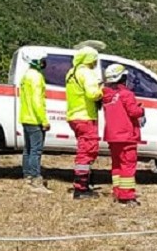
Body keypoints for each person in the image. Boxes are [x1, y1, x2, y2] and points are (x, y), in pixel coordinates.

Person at [102, 64, 145, 207]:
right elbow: (133, 112)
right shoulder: (126, 94)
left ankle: (117, 191)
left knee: (117, 165)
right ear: (122, 78)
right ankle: (126, 196)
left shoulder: (107, 95)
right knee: (127, 165)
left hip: (113, 136)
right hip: (126, 136)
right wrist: (141, 110)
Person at [65, 46, 103, 199]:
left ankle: (86, 180)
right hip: (85, 116)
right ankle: (81, 188)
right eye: (94, 59)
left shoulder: (71, 72)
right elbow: (93, 94)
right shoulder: (86, 73)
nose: (95, 62)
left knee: (85, 149)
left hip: (74, 116)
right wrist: (103, 90)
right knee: (87, 151)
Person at [19, 50, 53, 194]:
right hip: (35, 118)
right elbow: (37, 101)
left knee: (28, 149)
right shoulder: (37, 77)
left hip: (26, 117)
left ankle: (27, 176)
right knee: (36, 150)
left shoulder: (26, 76)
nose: (44, 62)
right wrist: (43, 120)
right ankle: (35, 180)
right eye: (42, 59)